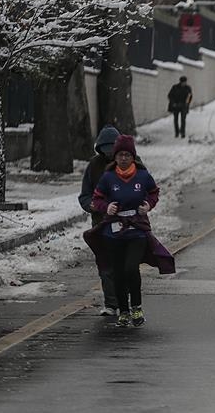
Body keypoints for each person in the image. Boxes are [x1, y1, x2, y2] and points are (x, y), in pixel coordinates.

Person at [86, 135, 173, 327]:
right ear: (115, 157)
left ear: (133, 157)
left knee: (131, 268)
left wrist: (148, 206)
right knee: (117, 272)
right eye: (120, 155)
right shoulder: (108, 177)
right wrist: (106, 208)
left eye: (127, 155)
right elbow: (97, 198)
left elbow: (154, 192)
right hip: (114, 232)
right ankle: (123, 311)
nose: (123, 158)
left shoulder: (142, 176)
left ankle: (137, 307)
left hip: (137, 230)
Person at [78, 125, 122, 316]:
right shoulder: (94, 166)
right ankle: (111, 303)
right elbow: (85, 195)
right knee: (105, 263)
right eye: (106, 148)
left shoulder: (131, 162)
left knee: (124, 263)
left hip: (127, 223)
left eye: (113, 148)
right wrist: (92, 205)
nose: (110, 152)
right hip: (101, 223)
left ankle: (127, 301)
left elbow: (145, 187)